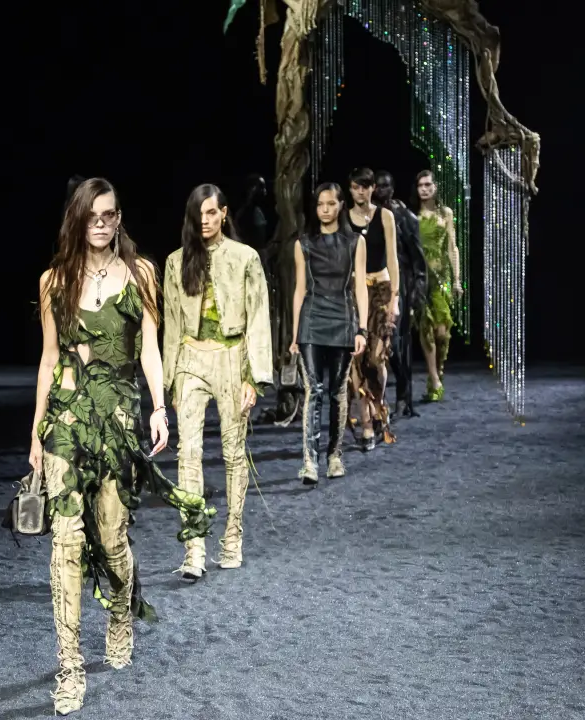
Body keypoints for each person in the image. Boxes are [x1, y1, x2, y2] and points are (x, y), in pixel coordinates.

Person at [29, 177, 214, 715]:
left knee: (111, 539)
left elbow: (150, 347)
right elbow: (48, 359)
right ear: (77, 219)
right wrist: (36, 432)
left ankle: (119, 613)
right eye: (92, 216)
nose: (101, 224)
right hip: (66, 419)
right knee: (65, 540)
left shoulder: (141, 273)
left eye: (109, 214)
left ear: (118, 217)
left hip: (117, 419)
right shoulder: (53, 280)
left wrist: (159, 407)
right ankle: (69, 666)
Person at [162, 183, 272, 579]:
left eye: (211, 212)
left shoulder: (245, 257)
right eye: (199, 213)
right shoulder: (176, 262)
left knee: (232, 453)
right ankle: (194, 549)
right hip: (191, 358)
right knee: (187, 453)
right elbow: (172, 324)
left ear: (224, 213)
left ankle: (233, 538)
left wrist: (254, 378)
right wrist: (172, 381)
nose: (205, 220)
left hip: (232, 358)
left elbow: (258, 317)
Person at [290, 183, 368, 485]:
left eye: (331, 203)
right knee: (314, 390)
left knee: (337, 390)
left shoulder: (355, 242)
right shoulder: (303, 243)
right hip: (311, 320)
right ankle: (309, 462)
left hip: (343, 320)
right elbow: (300, 289)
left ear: (341, 205)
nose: (325, 209)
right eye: (320, 204)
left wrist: (362, 329)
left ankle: (334, 456)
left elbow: (360, 287)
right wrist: (294, 334)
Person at [344, 168, 399, 450]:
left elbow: (393, 258)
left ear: (373, 188)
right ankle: (366, 423)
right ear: (350, 189)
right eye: (356, 187)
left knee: (377, 359)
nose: (361, 192)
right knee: (357, 360)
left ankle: (379, 405)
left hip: (381, 289)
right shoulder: (344, 220)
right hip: (355, 292)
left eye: (365, 187)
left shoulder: (385, 216)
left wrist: (395, 298)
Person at [374, 171, 428, 418]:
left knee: (398, 343)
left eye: (386, 186)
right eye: (378, 186)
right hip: (374, 284)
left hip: (400, 284)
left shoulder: (405, 217)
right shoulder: (368, 217)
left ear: (392, 188)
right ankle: (377, 403)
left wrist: (418, 289)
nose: (381, 190)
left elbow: (418, 258)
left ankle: (403, 398)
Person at [413, 170, 462, 401]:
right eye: (420, 185)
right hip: (420, 279)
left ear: (435, 187)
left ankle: (438, 369)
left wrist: (457, 280)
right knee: (427, 328)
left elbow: (452, 247)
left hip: (441, 279)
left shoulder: (446, 213)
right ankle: (434, 380)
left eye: (428, 185)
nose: (424, 189)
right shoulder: (413, 216)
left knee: (442, 332)